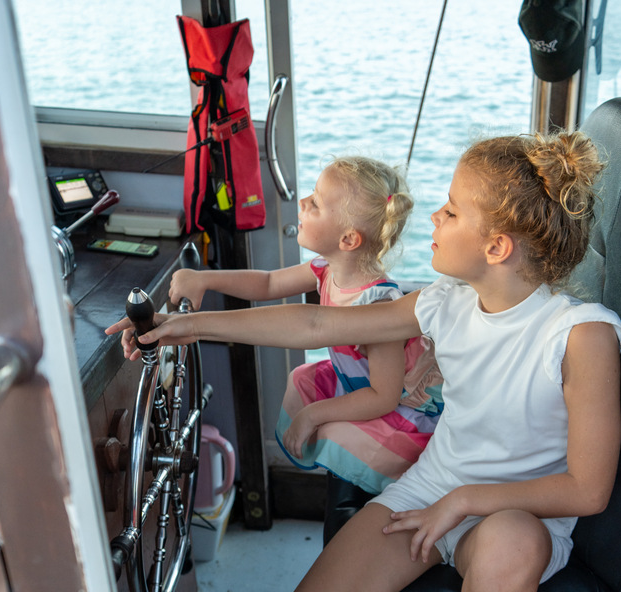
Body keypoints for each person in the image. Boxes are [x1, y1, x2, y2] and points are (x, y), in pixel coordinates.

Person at [107, 130, 621, 592]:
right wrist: (186, 326)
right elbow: (318, 320)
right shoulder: (446, 300)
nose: (433, 222)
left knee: (507, 548)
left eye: (450, 212)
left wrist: (466, 503)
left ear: (498, 245)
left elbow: (588, 488)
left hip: (515, 510)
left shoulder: (579, 333)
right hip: (435, 487)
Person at [168, 155, 442, 495]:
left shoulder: (378, 306)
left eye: (316, 202)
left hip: (392, 409)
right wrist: (204, 279)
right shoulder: (325, 268)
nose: (302, 202)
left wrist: (314, 415)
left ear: (348, 240)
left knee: (331, 431)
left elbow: (384, 396)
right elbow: (266, 283)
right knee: (301, 378)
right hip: (355, 388)